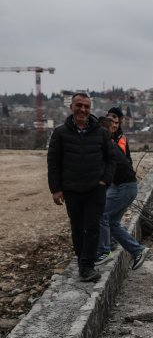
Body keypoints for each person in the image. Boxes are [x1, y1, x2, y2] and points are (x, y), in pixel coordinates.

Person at [47, 93, 116, 282]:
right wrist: (56, 189)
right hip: (71, 190)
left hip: (95, 189)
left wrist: (105, 181)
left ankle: (87, 267)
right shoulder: (60, 133)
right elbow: (53, 162)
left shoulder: (101, 132)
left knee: (92, 228)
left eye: (86, 106)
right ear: (71, 107)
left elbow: (111, 159)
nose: (83, 110)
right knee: (77, 228)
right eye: (79, 105)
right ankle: (82, 262)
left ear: (90, 109)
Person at [94, 115, 149, 269]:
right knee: (112, 222)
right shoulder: (110, 143)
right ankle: (137, 250)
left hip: (124, 187)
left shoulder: (107, 145)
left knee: (102, 214)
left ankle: (104, 251)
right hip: (127, 187)